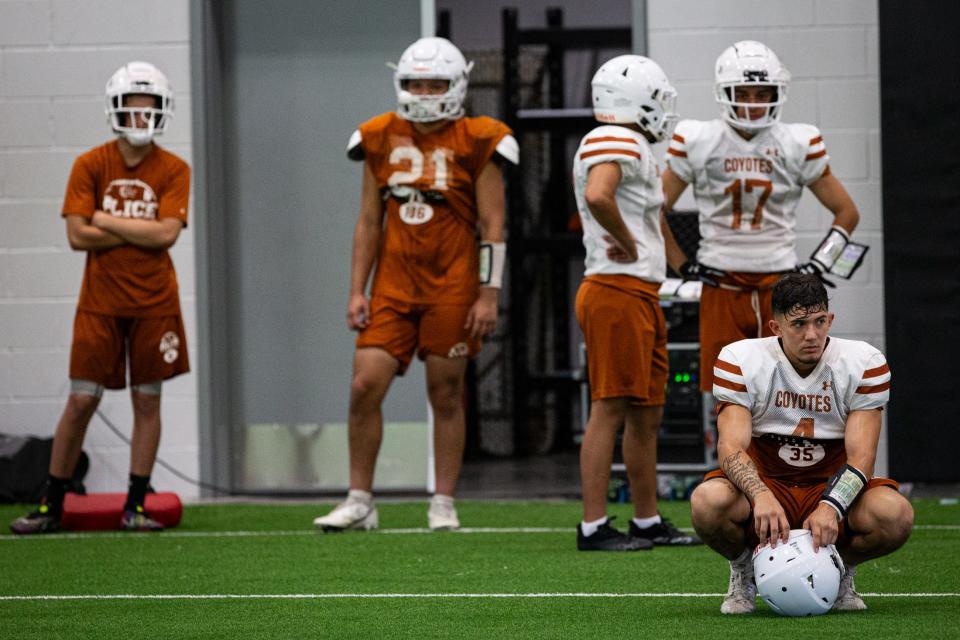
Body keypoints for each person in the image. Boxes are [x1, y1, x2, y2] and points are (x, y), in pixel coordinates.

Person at [313, 37, 517, 532]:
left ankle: (443, 502)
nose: (425, 92)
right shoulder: (379, 135)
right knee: (364, 385)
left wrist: (488, 294)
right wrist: (357, 290)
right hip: (393, 286)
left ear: (457, 86)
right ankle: (360, 498)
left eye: (435, 83)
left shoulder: (479, 137)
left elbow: (494, 225)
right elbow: (368, 221)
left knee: (445, 394)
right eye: (415, 83)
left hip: (453, 283)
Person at [10, 61, 191, 534]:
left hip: (156, 304)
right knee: (81, 402)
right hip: (100, 303)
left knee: (147, 401)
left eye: (149, 111)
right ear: (117, 111)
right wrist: (138, 231)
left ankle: (136, 503)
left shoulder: (174, 169)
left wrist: (106, 221)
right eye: (133, 111)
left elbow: (166, 235)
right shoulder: (89, 164)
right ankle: (51, 503)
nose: (140, 121)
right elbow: (76, 236)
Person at [690, 273, 913, 614]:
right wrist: (760, 494)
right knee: (707, 501)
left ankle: (840, 570)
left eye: (819, 321)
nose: (812, 335)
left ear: (830, 320)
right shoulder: (741, 359)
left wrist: (831, 507)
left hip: (830, 481)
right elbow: (730, 448)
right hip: (767, 479)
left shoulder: (862, 362)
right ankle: (743, 568)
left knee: (894, 514)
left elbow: (863, 456)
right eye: (798, 324)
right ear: (775, 327)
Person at [660, 40, 862, 394]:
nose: (752, 103)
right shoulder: (699, 139)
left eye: (761, 93)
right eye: (744, 92)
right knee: (723, 397)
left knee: (785, 396)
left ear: (776, 93)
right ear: (725, 92)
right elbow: (654, 209)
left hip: (779, 285)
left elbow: (848, 213)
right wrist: (682, 265)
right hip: (720, 284)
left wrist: (819, 266)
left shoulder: (797, 141)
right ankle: (727, 454)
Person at [572, 55, 700, 551]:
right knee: (609, 408)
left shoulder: (635, 146)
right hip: (614, 289)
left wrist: (682, 264)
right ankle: (593, 526)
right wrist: (624, 241)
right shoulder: (615, 138)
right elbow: (601, 195)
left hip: (639, 292)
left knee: (647, 412)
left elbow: (654, 215)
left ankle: (646, 520)